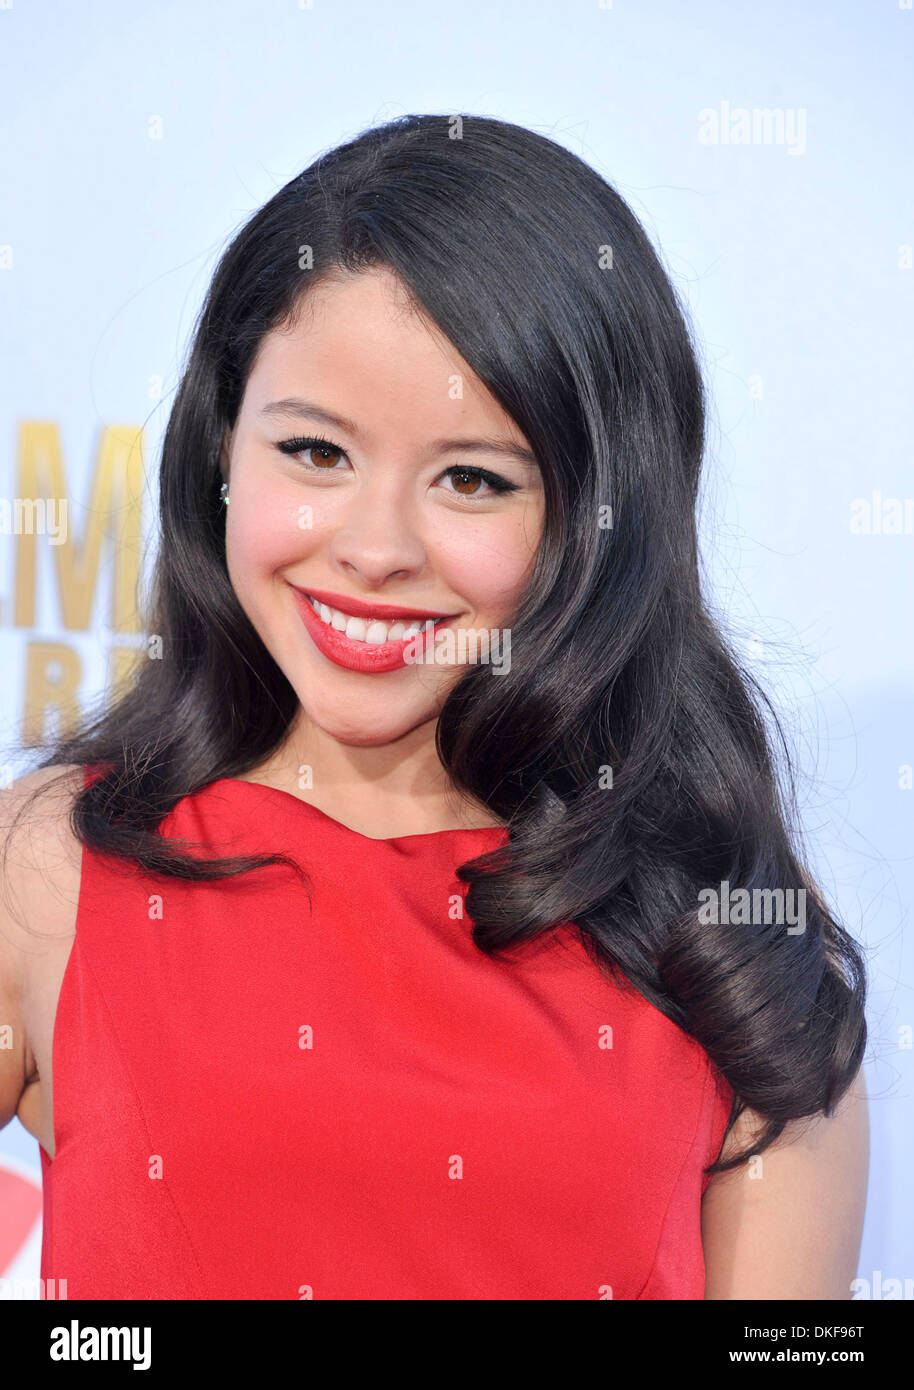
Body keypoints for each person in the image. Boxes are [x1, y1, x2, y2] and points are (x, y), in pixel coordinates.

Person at [0, 113, 868, 1300]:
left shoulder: (722, 918)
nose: (372, 547)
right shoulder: (52, 869)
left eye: (471, 479)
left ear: (594, 519)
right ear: (219, 451)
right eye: (314, 453)